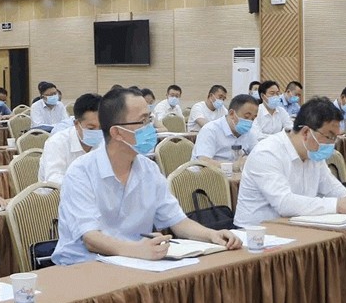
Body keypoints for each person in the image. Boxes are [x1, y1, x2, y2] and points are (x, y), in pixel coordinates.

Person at [51, 86, 241, 265]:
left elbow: (177, 221)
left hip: (136, 261)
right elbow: (90, 239)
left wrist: (211, 235)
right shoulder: (80, 172)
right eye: (142, 122)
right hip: (84, 265)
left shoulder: (149, 169)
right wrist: (136, 250)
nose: (150, 128)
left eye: (149, 120)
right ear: (117, 132)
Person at [235, 98, 346, 227]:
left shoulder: (313, 153)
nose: (332, 143)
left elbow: (331, 186)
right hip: (256, 232)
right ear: (306, 132)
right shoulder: (267, 152)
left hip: (295, 225)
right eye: (329, 136)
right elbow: (284, 203)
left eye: (335, 137)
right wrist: (337, 205)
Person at [38, 93, 102, 185]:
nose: (98, 132)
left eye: (101, 128)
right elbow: (53, 179)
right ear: (76, 124)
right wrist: (86, 185)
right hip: (57, 193)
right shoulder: (57, 142)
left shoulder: (106, 141)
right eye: (91, 128)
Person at [191, 94, 259, 166]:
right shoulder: (210, 130)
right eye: (246, 117)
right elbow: (203, 161)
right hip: (207, 172)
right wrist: (232, 166)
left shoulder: (249, 131)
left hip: (236, 172)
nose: (249, 122)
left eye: (253, 118)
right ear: (232, 114)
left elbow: (258, 154)